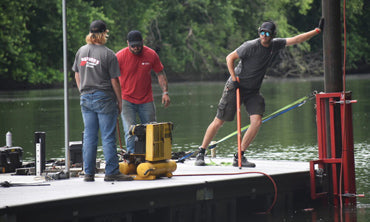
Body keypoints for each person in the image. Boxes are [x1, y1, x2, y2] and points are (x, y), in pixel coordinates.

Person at [195, 18, 324, 167]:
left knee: (256, 121)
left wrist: (317, 31)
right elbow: (229, 58)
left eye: (267, 33)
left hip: (253, 91)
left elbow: (296, 39)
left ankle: (239, 155)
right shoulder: (249, 46)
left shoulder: (275, 45)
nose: (264, 35)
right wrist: (234, 78)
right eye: (261, 32)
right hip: (235, 86)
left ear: (273, 35)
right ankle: (201, 153)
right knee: (219, 121)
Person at [72, 20, 133, 182]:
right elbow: (114, 81)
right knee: (107, 136)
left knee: (90, 137)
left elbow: (77, 74)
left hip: (85, 97)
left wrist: (82, 91)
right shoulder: (108, 54)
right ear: (104, 33)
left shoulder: (81, 51)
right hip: (104, 97)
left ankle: (89, 173)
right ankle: (112, 171)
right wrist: (120, 101)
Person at [116, 30, 170, 154]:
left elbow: (160, 73)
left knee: (151, 129)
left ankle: (152, 154)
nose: (136, 48)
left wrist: (165, 92)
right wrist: (114, 98)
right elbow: (112, 78)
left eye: (138, 45)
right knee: (130, 131)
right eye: (133, 46)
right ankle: (132, 156)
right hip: (126, 99)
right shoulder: (119, 56)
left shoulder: (151, 54)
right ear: (127, 43)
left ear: (143, 42)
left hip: (146, 100)